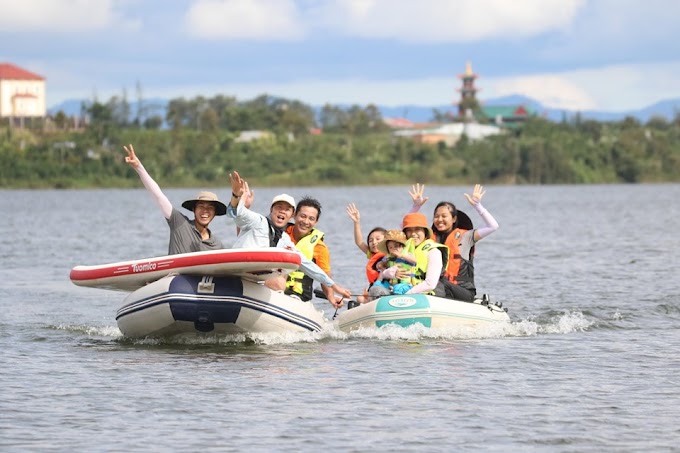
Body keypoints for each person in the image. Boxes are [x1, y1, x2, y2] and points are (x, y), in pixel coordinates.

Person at [226, 171, 351, 308]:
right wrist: (236, 196)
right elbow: (235, 213)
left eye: (287, 209)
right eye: (279, 207)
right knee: (278, 281)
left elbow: (307, 265)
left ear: (291, 215)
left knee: (278, 281)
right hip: (239, 278)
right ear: (271, 210)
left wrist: (334, 287)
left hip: (259, 284)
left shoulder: (285, 240)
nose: (282, 211)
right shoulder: (258, 221)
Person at [123, 144, 225, 255]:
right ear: (194, 209)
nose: (205, 211)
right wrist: (138, 167)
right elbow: (159, 197)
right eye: (201, 206)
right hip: (176, 273)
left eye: (210, 208)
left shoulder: (218, 246)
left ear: (215, 213)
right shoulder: (179, 223)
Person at [409, 183, 499, 301]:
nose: (439, 220)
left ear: (454, 219)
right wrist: (416, 207)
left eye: (444, 216)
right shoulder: (429, 239)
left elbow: (493, 226)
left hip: (463, 290)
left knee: (438, 283)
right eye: (436, 216)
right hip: (435, 287)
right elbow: (408, 230)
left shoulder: (466, 237)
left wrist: (477, 205)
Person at [266, 197, 333, 302]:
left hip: (299, 298)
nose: (306, 221)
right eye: (303, 216)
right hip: (273, 288)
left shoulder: (320, 247)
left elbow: (325, 275)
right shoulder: (280, 233)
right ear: (294, 215)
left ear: (316, 222)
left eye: (311, 218)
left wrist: (330, 297)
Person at [368, 213, 449, 298]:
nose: (413, 234)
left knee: (397, 291)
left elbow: (430, 284)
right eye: (409, 230)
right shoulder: (399, 250)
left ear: (425, 232)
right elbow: (384, 270)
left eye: (417, 229)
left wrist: (405, 295)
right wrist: (390, 272)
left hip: (424, 294)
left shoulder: (434, 252)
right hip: (398, 290)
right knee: (375, 290)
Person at [346, 203, 386, 302]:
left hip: (387, 290)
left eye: (378, 239)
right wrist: (357, 222)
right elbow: (359, 242)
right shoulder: (372, 255)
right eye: (371, 240)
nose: (374, 242)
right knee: (360, 299)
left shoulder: (392, 254)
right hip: (374, 290)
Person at [370, 230, 416, 295]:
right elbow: (379, 265)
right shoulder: (389, 257)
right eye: (390, 247)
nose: (393, 249)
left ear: (403, 246)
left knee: (398, 288)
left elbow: (415, 261)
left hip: (405, 284)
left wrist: (402, 255)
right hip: (391, 284)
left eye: (396, 246)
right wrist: (380, 264)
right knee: (377, 285)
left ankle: (397, 300)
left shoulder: (407, 255)